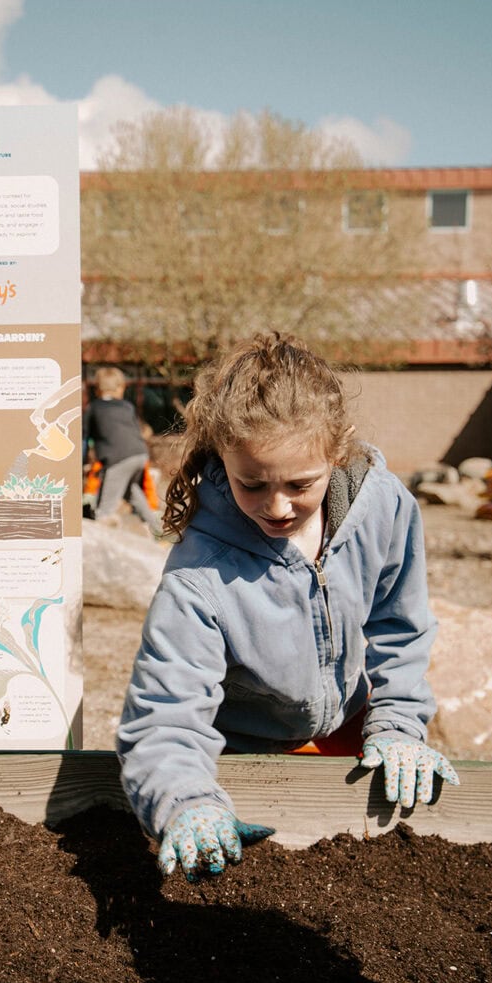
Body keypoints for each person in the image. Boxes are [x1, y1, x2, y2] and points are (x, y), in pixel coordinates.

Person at [117, 332, 459, 882]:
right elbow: (166, 712)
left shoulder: (384, 506)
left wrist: (397, 723)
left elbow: (401, 625)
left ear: (337, 452)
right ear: (222, 457)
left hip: (346, 720)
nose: (277, 507)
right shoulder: (200, 575)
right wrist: (186, 799)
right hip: (243, 745)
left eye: (301, 484)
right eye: (251, 484)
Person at [83, 366, 162, 536]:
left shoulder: (94, 408)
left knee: (105, 510)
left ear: (97, 388)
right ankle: (157, 528)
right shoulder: (127, 406)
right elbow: (136, 431)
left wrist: (82, 462)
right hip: (140, 454)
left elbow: (84, 437)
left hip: (117, 459)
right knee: (132, 492)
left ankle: (101, 541)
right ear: (120, 388)